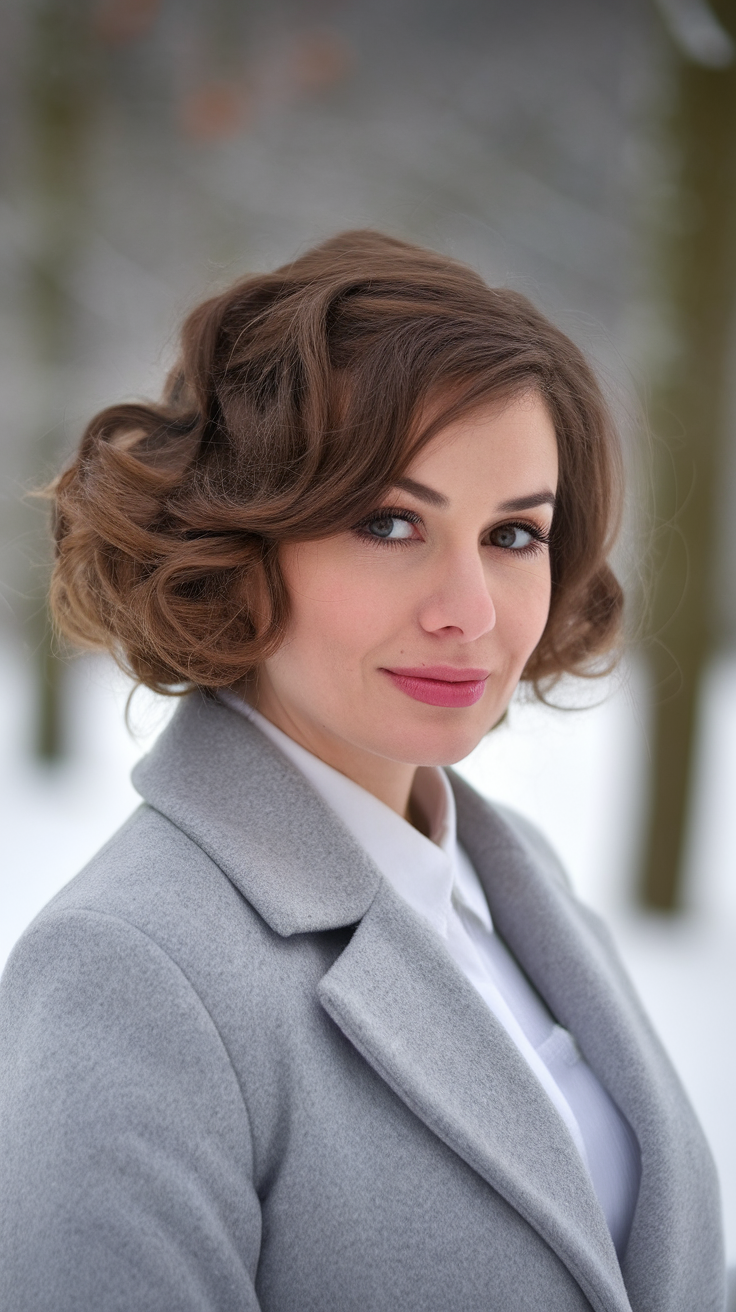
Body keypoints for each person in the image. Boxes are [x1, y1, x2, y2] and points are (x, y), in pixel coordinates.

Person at [0, 231, 726, 1312]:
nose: (469, 612)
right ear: (240, 540)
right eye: (389, 522)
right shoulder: (128, 973)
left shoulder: (505, 872)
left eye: (513, 534)